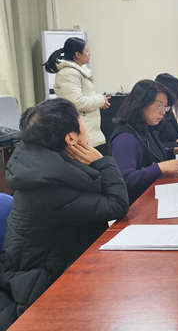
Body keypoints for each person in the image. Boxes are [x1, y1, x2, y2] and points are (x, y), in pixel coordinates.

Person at [0, 98, 128, 329]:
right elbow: (116, 205)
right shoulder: (49, 185)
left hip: (57, 262)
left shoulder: (44, 162)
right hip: (40, 287)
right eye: (80, 117)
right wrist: (103, 162)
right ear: (70, 138)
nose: (84, 121)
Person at [109, 80, 178, 205]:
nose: (163, 112)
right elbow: (125, 180)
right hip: (139, 205)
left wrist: (173, 151)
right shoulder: (125, 138)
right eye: (159, 106)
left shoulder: (144, 127)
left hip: (155, 195)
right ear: (140, 104)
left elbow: (149, 154)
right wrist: (160, 168)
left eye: (165, 107)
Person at [42, 37, 111, 150]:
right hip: (79, 130)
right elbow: (76, 102)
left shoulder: (77, 71)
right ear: (78, 54)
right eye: (87, 51)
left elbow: (84, 97)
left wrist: (100, 102)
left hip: (88, 128)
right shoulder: (68, 73)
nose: (89, 53)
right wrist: (100, 99)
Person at [155, 73, 178, 147]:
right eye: (173, 92)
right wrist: (176, 144)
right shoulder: (156, 114)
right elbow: (154, 146)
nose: (175, 96)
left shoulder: (168, 110)